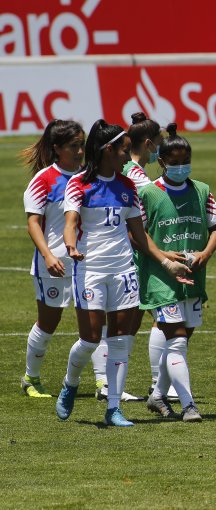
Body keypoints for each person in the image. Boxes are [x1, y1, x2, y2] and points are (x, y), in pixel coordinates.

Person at [56, 120, 191, 427]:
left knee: (120, 341)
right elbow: (70, 220)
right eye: (125, 151)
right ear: (108, 150)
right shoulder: (79, 184)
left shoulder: (128, 186)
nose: (128, 157)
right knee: (90, 340)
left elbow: (139, 236)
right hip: (89, 269)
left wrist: (167, 263)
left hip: (123, 270)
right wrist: (70, 245)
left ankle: (114, 408)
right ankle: (70, 382)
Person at [142, 123, 216, 422]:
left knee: (183, 339)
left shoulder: (202, 190)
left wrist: (205, 253)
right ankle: (189, 405)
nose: (180, 167)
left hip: (193, 277)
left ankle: (157, 395)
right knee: (176, 339)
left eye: (185, 162)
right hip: (161, 278)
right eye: (174, 163)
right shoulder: (149, 193)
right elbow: (138, 234)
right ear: (162, 162)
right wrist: (164, 257)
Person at [95, 111, 165, 402]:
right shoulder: (134, 174)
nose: (162, 147)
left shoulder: (137, 172)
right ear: (148, 143)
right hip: (131, 253)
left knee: (130, 322)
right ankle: (108, 383)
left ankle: (113, 383)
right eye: (160, 143)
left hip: (134, 250)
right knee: (125, 322)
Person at [20, 120, 85, 398]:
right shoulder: (44, 179)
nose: (81, 151)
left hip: (86, 262)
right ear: (57, 149)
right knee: (49, 322)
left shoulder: (88, 176)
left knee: (95, 321)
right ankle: (30, 378)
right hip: (54, 263)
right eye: (74, 146)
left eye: (82, 145)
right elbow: (33, 223)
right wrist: (47, 255)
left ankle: (102, 383)